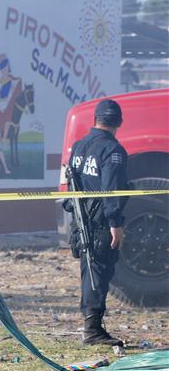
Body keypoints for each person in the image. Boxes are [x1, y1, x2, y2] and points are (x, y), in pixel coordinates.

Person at [65, 99, 128, 346]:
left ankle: (91, 326)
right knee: (98, 272)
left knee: (89, 270)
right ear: (119, 122)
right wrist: (115, 222)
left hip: (80, 220)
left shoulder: (79, 146)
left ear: (95, 120)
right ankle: (92, 330)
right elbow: (111, 190)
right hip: (100, 222)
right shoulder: (113, 151)